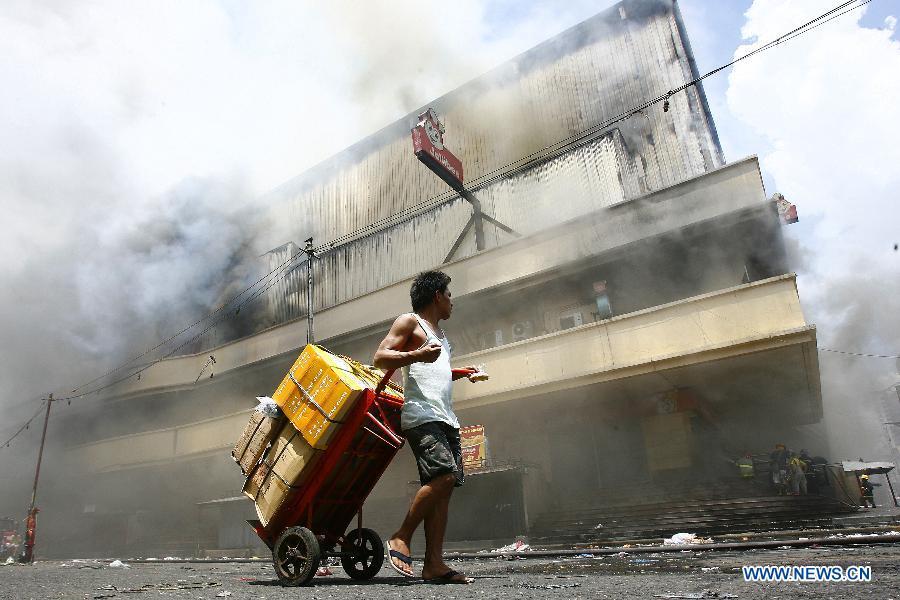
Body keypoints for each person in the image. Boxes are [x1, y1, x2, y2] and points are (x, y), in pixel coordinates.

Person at [374, 270, 480, 584]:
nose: (452, 302)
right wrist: (417, 353)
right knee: (445, 476)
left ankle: (434, 564)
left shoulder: (442, 337)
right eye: (449, 295)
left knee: (443, 491)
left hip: (446, 418)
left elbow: (436, 372)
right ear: (437, 296)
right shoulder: (409, 322)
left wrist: (462, 372)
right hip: (421, 416)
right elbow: (380, 357)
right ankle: (400, 536)